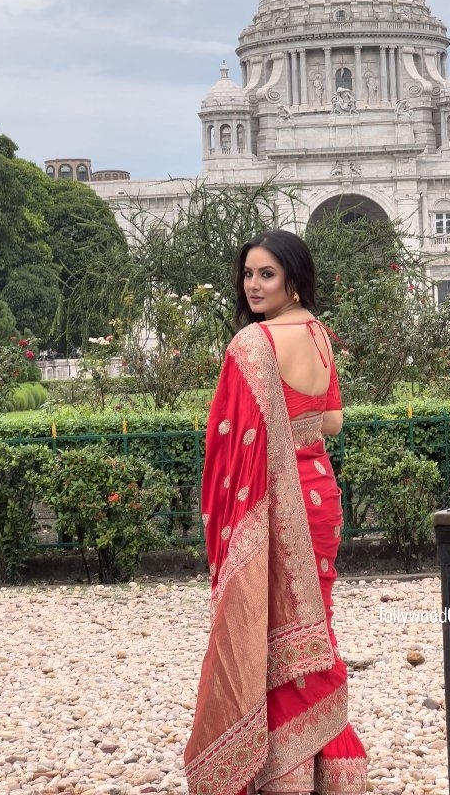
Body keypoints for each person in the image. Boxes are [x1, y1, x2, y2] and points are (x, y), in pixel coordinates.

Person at [184, 230, 367, 795]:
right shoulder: (319, 333)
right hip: (321, 497)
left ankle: (282, 776)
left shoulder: (254, 343)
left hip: (273, 505)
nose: (254, 284)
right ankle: (332, 770)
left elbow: (228, 443)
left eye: (267, 274)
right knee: (312, 632)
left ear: (292, 276)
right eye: (248, 274)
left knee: (272, 632)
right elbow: (333, 422)